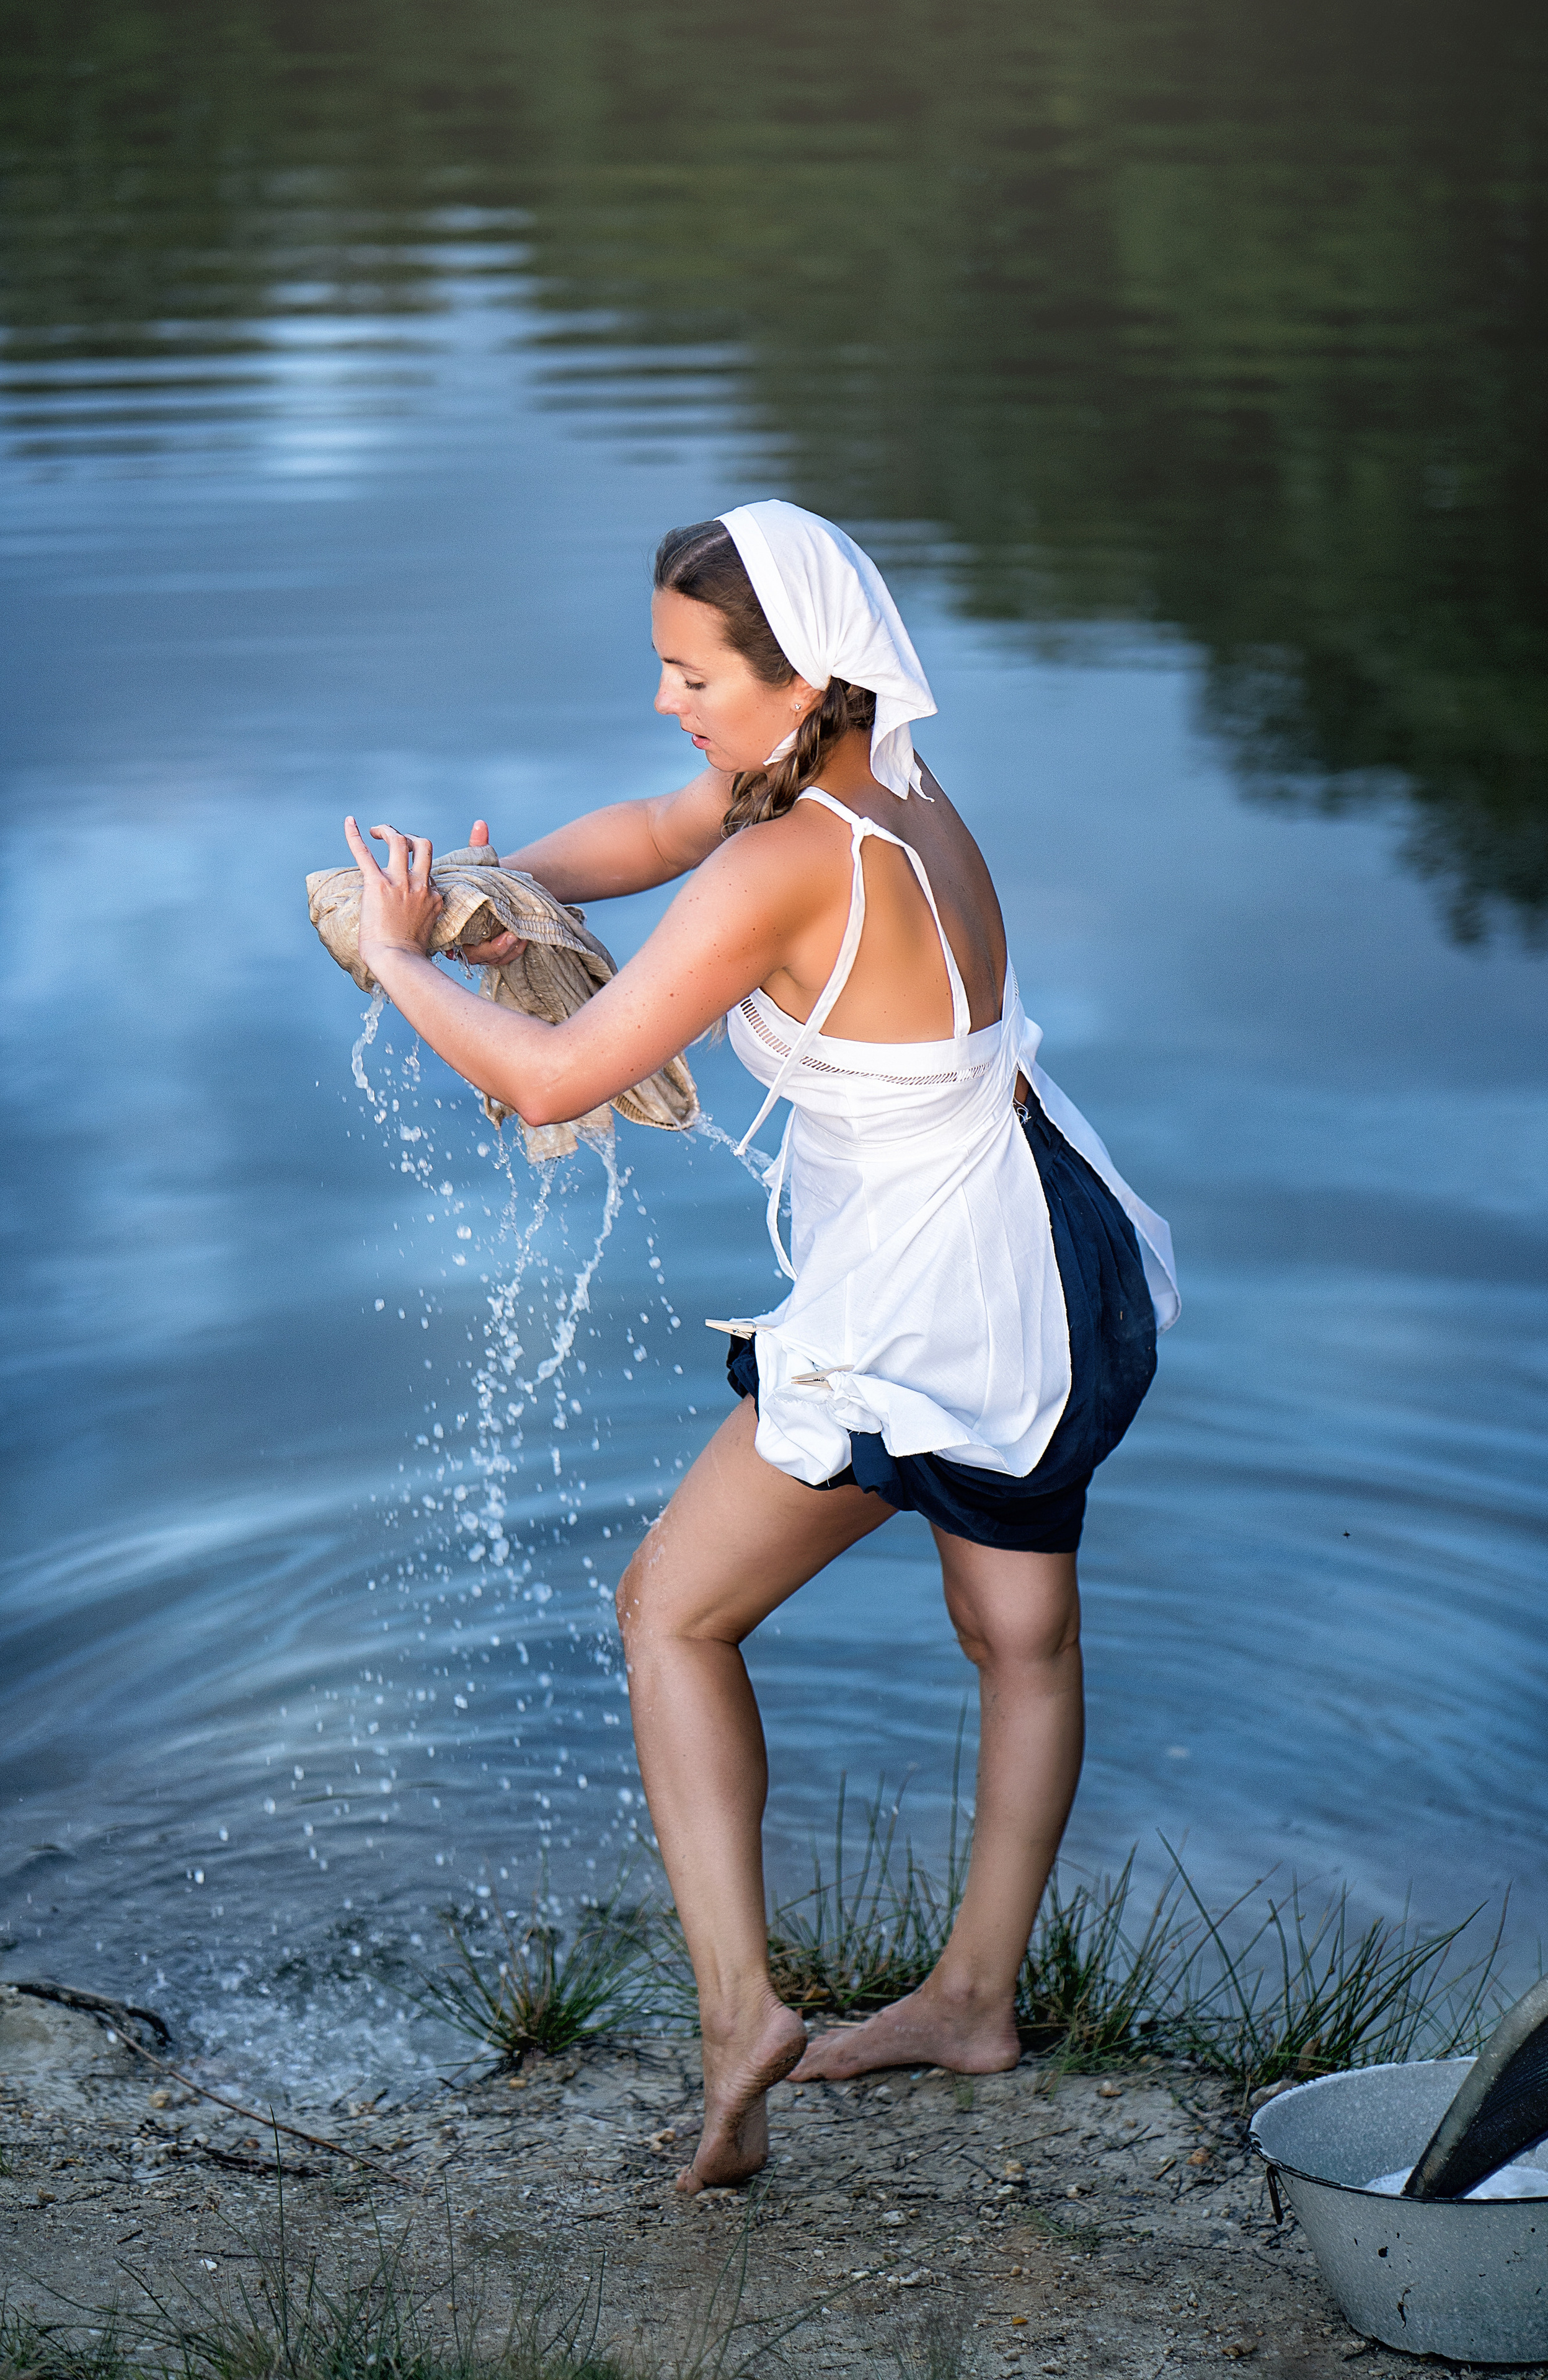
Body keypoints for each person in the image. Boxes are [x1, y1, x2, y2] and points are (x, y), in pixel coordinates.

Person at [342, 500, 1178, 2196]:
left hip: (942, 1298)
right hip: (1052, 1250)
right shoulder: (891, 788)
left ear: (803, 681)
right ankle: (973, 2003)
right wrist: (503, 889)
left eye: (693, 674)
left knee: (671, 1612)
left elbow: (550, 1081)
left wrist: (394, 959)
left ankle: (742, 2018)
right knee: (1019, 1633)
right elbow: (656, 829)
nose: (666, 701)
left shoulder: (783, 864)